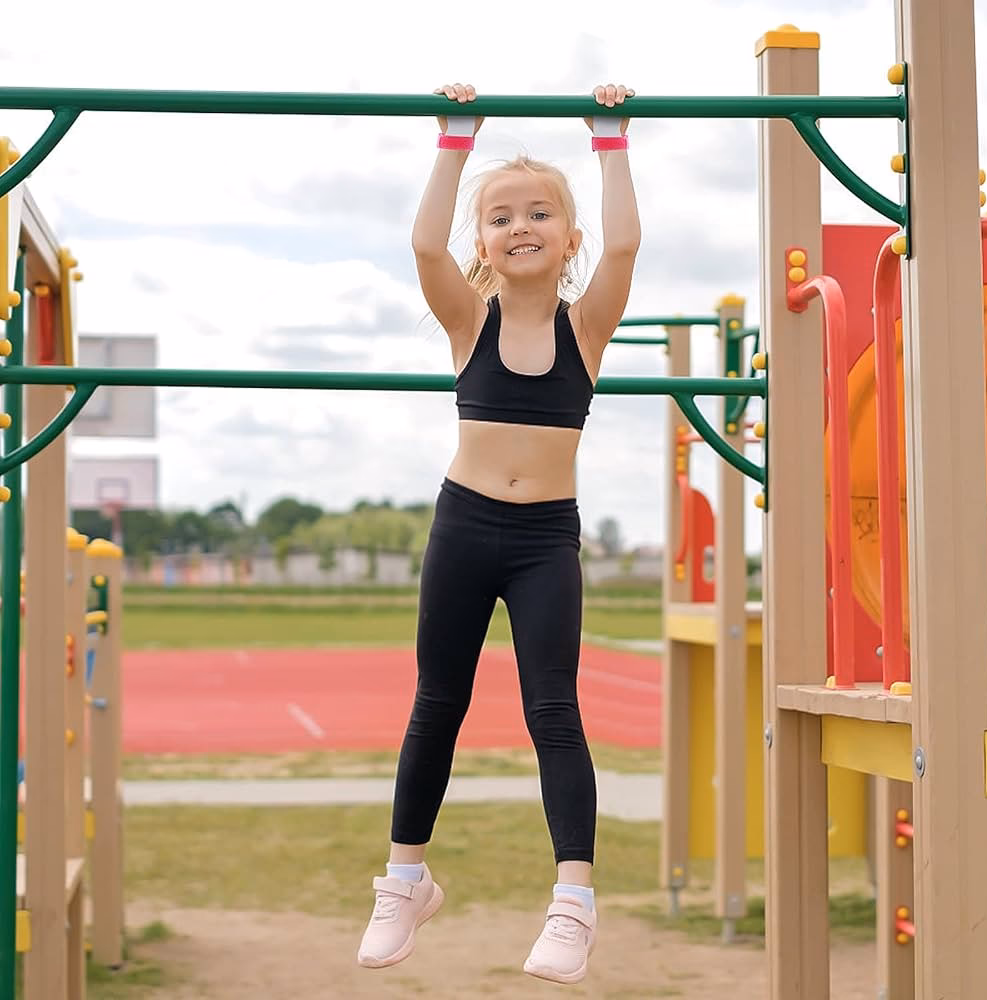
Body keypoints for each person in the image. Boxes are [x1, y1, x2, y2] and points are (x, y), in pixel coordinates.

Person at [358, 81, 640, 986]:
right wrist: (454, 141)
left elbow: (627, 244)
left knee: (553, 707)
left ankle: (574, 904)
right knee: (437, 701)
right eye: (502, 217)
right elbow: (422, 245)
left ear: (568, 238)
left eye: (540, 214)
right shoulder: (468, 322)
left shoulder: (586, 327)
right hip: (466, 525)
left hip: (544, 539)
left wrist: (610, 141)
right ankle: (405, 881)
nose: (522, 227)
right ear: (482, 243)